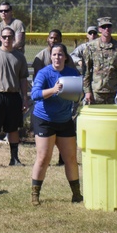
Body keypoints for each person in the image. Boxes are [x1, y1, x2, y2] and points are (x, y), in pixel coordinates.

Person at [29, 43, 83, 206]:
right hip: (44, 120)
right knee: (43, 158)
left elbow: (78, 93)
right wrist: (53, 90)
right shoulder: (44, 73)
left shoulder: (73, 73)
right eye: (54, 54)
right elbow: (35, 94)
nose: (57, 57)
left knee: (71, 158)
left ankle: (76, 195)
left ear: (65, 57)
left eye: (60, 54)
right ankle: (35, 195)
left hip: (65, 120)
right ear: (50, 57)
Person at [0, 26, 29, 166]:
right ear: (0, 38)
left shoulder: (20, 57)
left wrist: (25, 99)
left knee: (13, 128)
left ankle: (14, 159)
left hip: (14, 96)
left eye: (10, 36)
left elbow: (23, 80)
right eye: (4, 36)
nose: (7, 39)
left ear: (13, 38)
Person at [82, 16, 117, 105]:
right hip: (96, 92)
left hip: (114, 92)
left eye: (109, 26)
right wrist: (87, 91)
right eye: (104, 27)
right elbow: (86, 71)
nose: (106, 29)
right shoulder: (91, 47)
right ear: (100, 29)